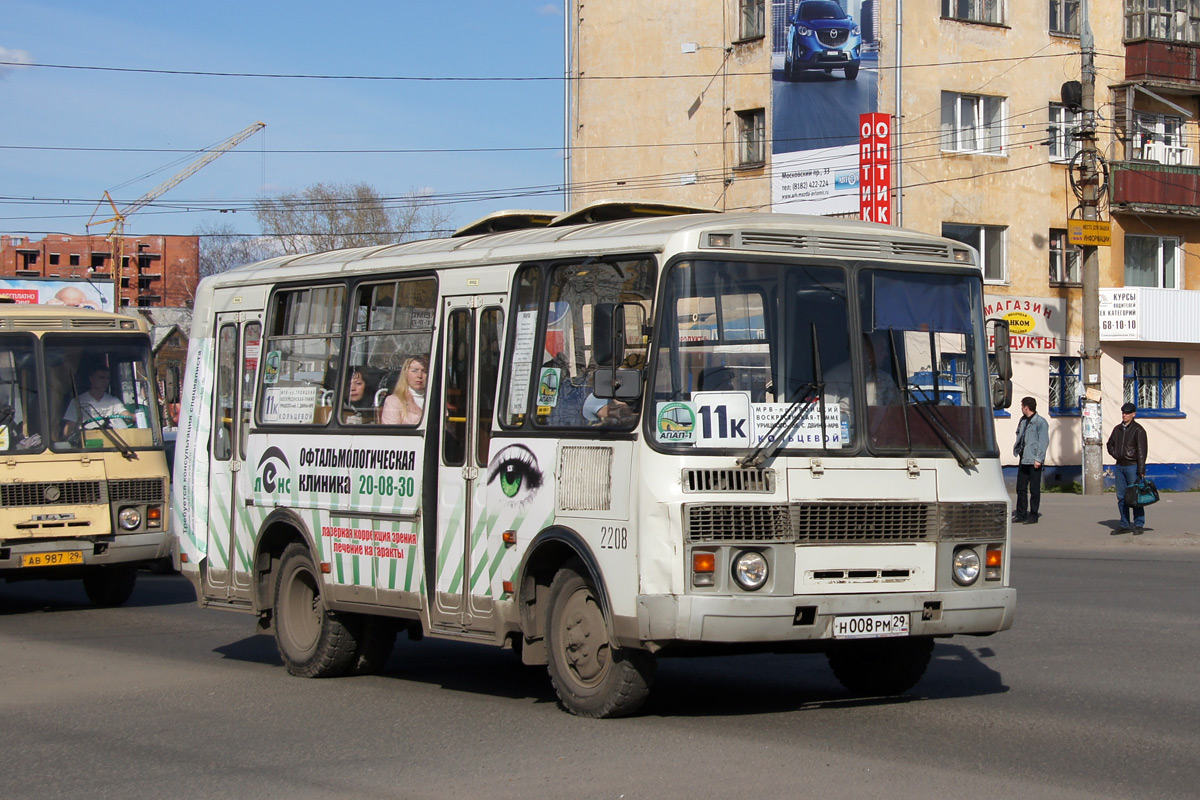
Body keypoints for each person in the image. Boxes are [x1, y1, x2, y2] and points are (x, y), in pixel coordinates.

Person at [1107, 401, 1149, 534]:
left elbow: (1142, 451)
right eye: (1123, 413)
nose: (1124, 415)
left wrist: (1141, 470)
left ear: (1133, 414)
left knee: (1135, 496)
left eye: (1127, 413)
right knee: (1121, 496)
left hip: (1132, 466)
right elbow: (1110, 444)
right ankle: (1124, 524)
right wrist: (1116, 454)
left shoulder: (1138, 430)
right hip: (1120, 466)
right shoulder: (1117, 429)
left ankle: (1138, 524)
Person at [61, 365, 131, 438]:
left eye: (108, 378)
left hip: (112, 440)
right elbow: (69, 427)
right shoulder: (77, 402)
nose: (106, 381)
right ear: (91, 379)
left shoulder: (113, 401)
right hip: (87, 441)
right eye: (101, 378)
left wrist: (133, 417)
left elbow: (126, 415)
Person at [1012, 396, 1049, 524]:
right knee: (1020, 488)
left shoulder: (1040, 422)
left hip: (1034, 460)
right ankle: (1021, 513)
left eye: (1022, 406)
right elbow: (1019, 434)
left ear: (1027, 407)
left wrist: (1039, 459)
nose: (1021, 408)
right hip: (1024, 458)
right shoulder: (1023, 421)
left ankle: (1033, 515)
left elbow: (1043, 442)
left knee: (1034, 489)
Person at [381, 356, 428, 425]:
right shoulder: (394, 401)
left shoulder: (436, 401)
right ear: (405, 373)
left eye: (424, 371)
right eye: (414, 371)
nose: (419, 376)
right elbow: (391, 432)